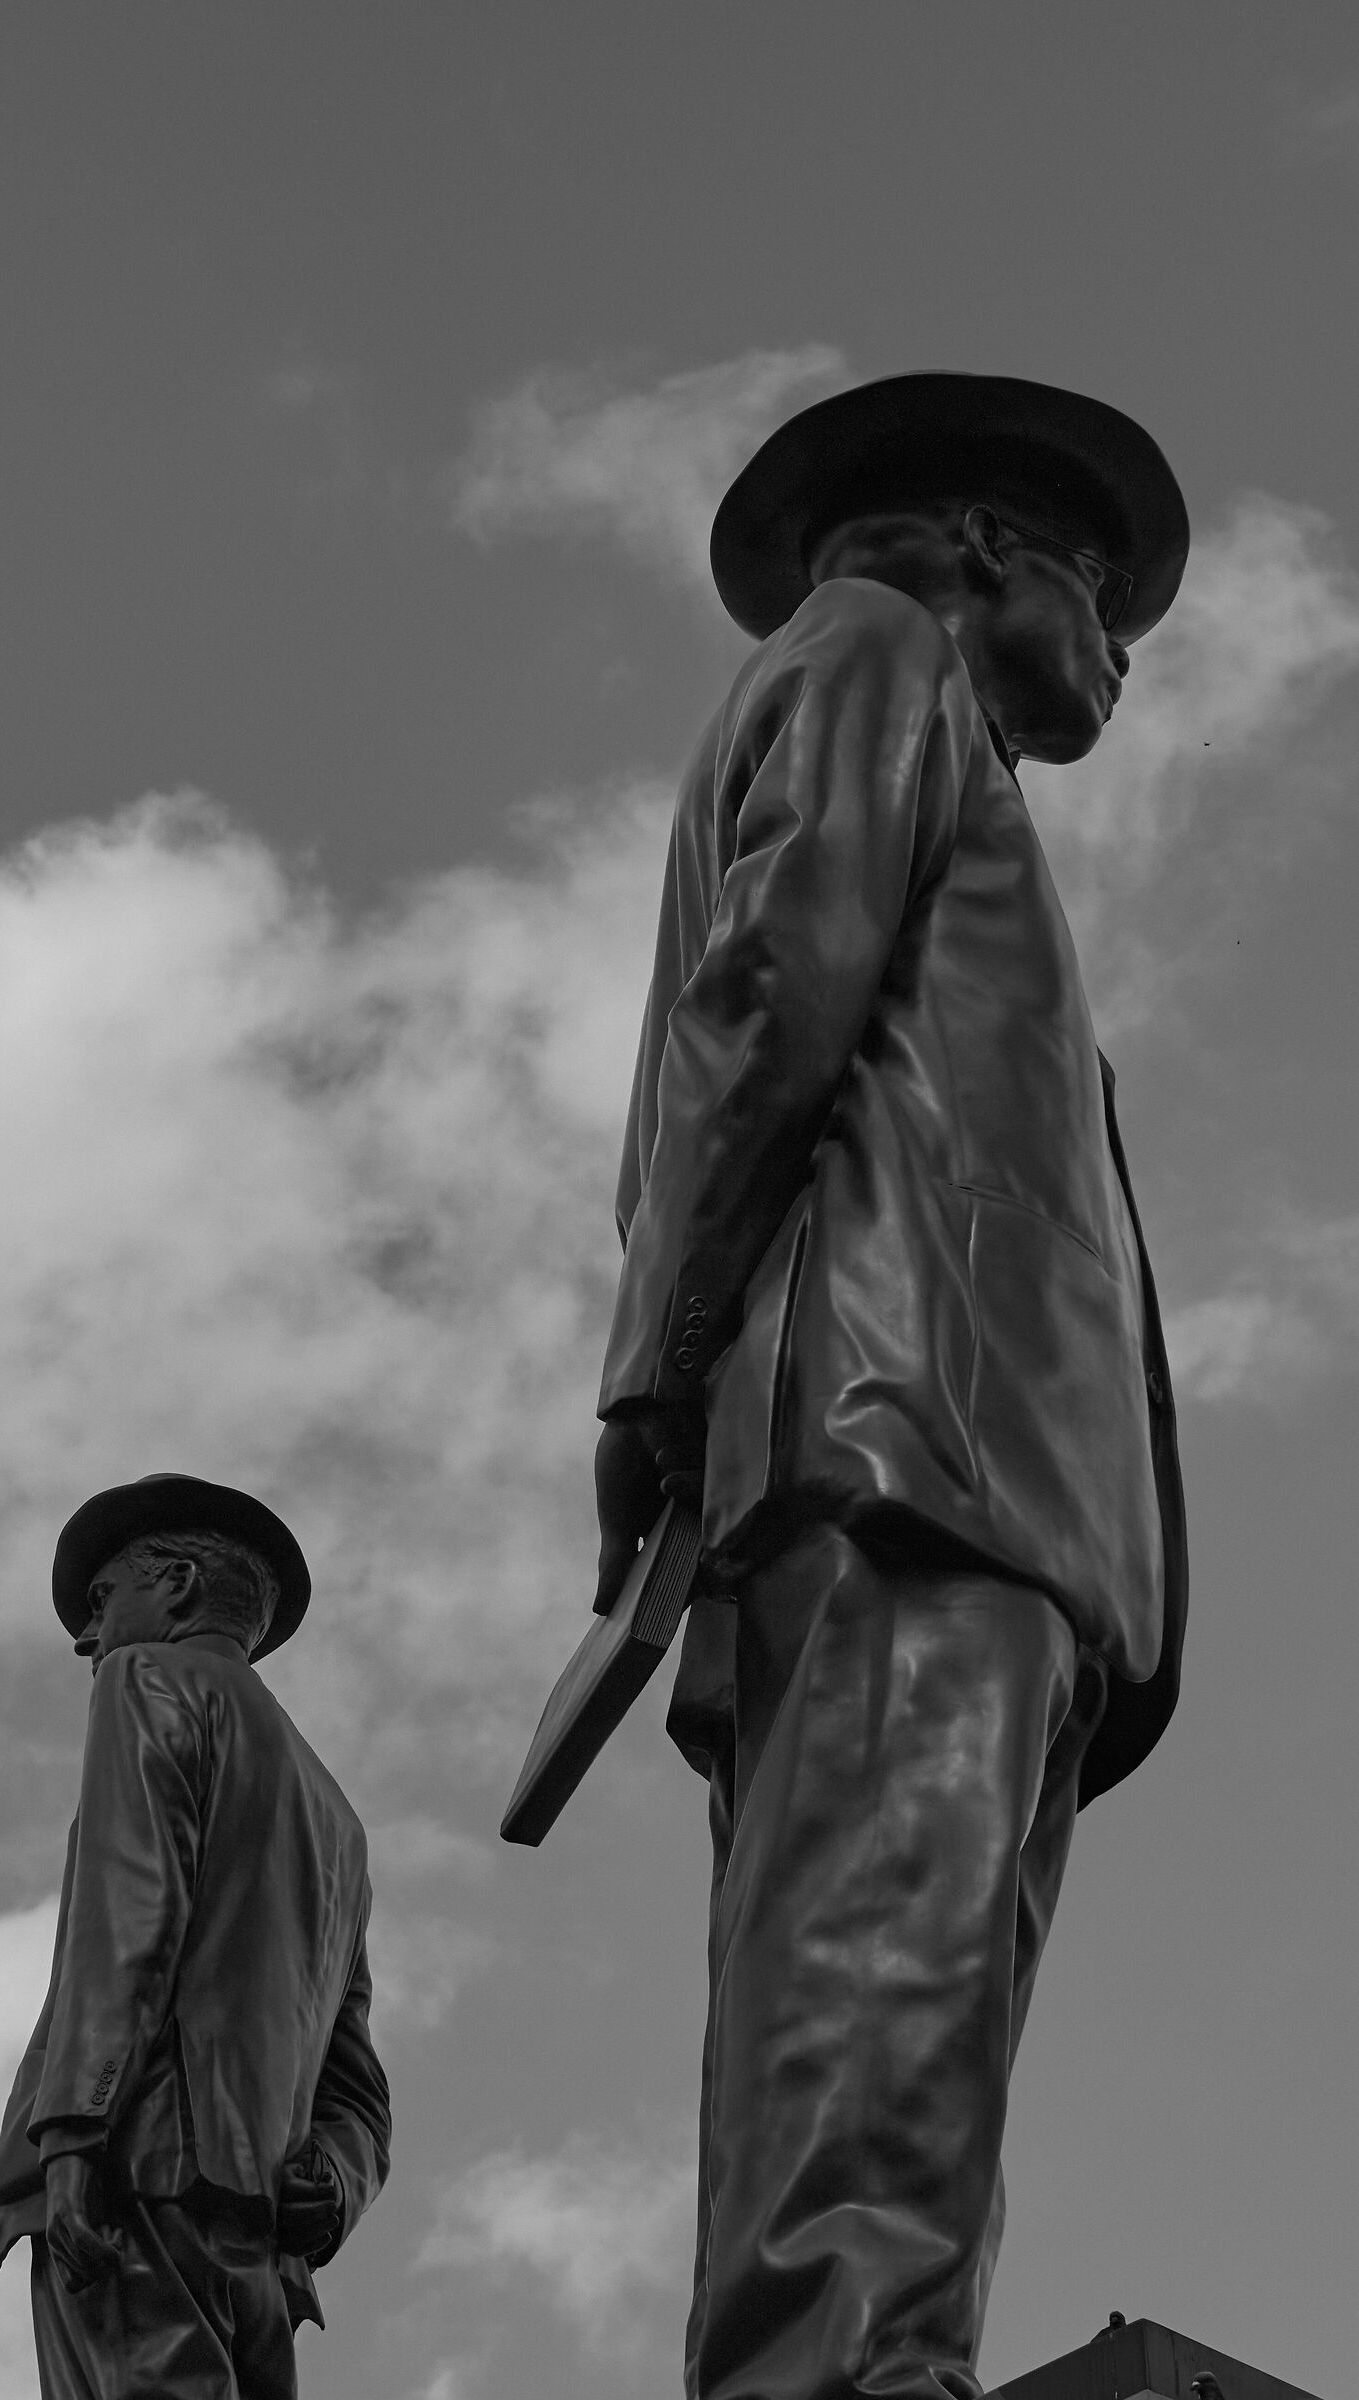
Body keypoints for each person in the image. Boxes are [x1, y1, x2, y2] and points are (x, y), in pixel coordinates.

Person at [591, 374, 1190, 2400]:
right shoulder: (865, 651)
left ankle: (870, 2362)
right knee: (865, 1999)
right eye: (1106, 607)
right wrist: (658, 1376)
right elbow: (766, 997)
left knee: (908, 2013)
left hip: (965, 1476)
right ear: (988, 550)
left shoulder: (919, 719)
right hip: (898, 1446)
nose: (1116, 663)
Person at [0, 1472, 390, 2400]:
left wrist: (75, 2134)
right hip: (257, 2241)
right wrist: (333, 2184)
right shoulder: (337, 1820)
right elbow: (357, 2081)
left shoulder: (146, 1678)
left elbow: (128, 1913)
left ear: (173, 1585)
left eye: (101, 1600)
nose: (88, 1639)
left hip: (137, 2178)